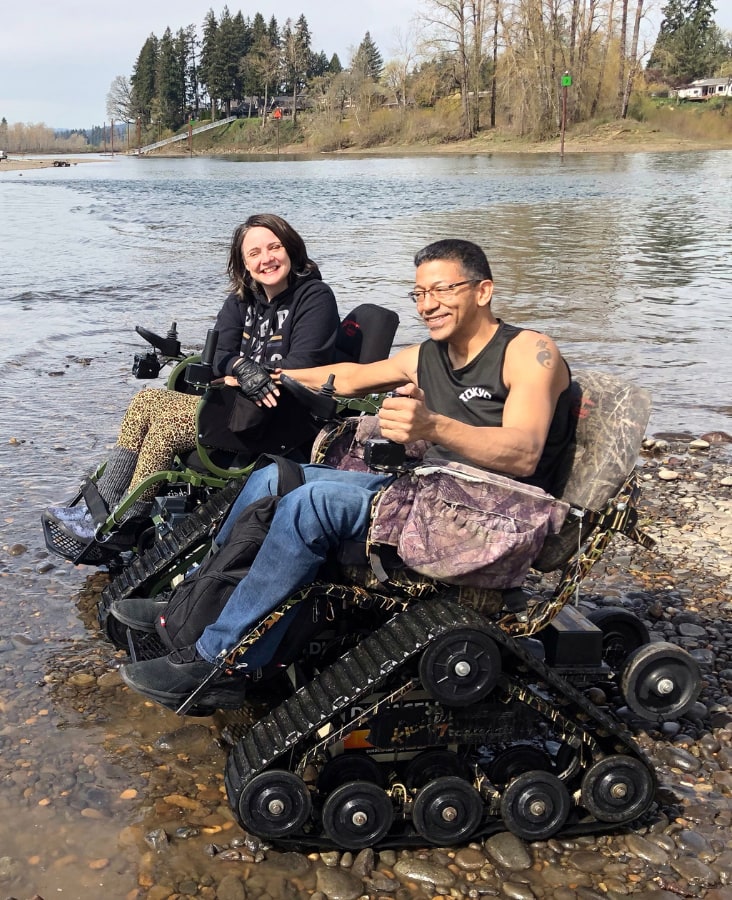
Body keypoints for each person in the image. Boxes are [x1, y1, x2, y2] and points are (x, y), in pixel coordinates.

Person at [117, 237, 574, 711]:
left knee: (308, 505)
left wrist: (434, 426)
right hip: (426, 493)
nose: (427, 305)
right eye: (418, 294)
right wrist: (262, 374)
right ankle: (193, 603)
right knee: (276, 478)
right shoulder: (427, 355)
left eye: (441, 290)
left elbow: (523, 453)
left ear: (483, 291)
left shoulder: (528, 351)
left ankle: (218, 662)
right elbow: (348, 377)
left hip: (490, 515)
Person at [44, 214, 341, 542]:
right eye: (254, 253)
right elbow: (217, 356)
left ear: (292, 249)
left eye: (275, 247)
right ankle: (98, 506)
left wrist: (247, 375)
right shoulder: (241, 301)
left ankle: (125, 524)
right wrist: (240, 368)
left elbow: (305, 363)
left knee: (167, 429)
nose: (266, 258)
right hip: (237, 406)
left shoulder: (315, 297)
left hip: (279, 416)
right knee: (147, 399)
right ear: (243, 264)